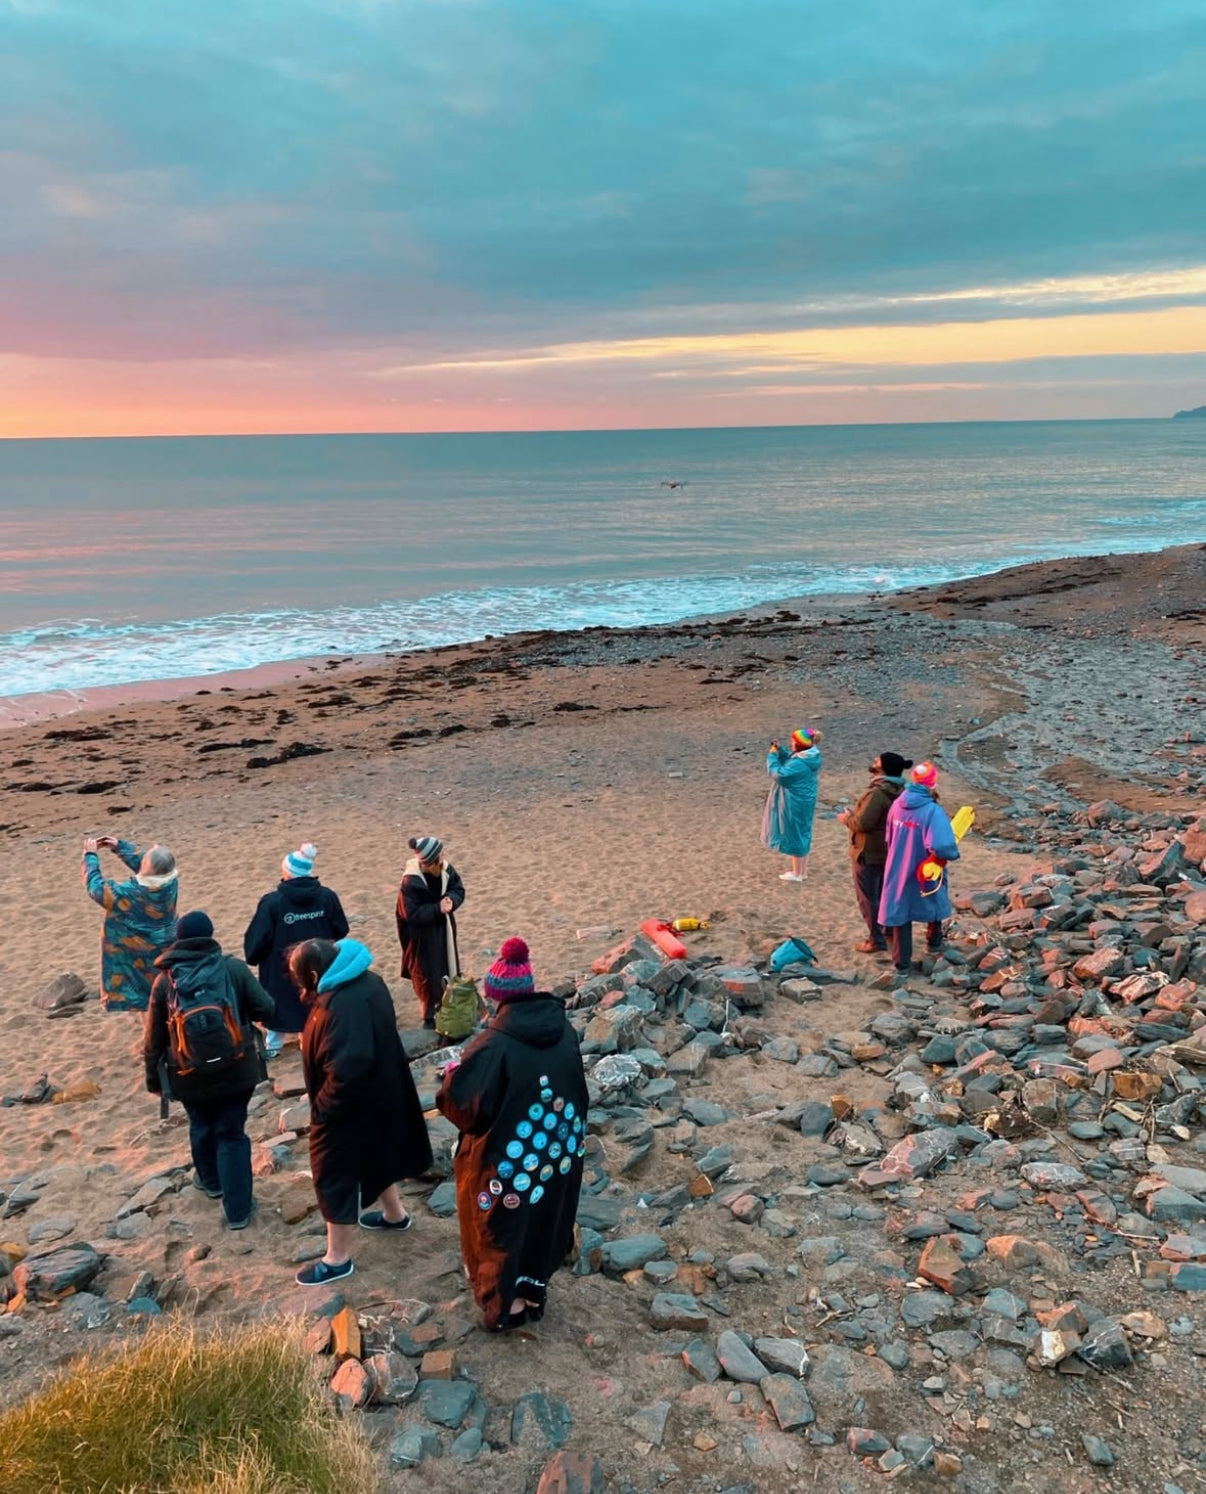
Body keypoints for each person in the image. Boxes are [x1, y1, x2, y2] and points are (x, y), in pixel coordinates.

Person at [436, 937, 589, 1333]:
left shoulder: (494, 1044)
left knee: (498, 1227)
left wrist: (454, 1075)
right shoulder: (564, 1030)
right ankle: (534, 1291)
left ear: (496, 999)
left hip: (510, 1158)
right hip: (560, 1152)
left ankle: (508, 1308)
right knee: (545, 1219)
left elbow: (461, 1108)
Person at [289, 938, 433, 1287]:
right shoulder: (369, 980)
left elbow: (349, 1067)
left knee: (332, 1174)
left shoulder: (338, 1006)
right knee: (377, 1152)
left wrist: (322, 1109)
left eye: (300, 979)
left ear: (312, 973)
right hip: (383, 1093)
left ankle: (337, 1259)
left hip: (349, 1108)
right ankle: (394, 1215)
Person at [143, 910, 274, 1230]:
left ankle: (211, 1183)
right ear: (210, 934)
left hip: (188, 1072)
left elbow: (153, 1040)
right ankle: (239, 1211)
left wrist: (153, 1081)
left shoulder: (165, 980)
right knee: (231, 1133)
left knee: (200, 1123)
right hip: (236, 1068)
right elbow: (266, 1008)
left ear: (179, 939)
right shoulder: (232, 969)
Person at [243, 843, 349, 1058]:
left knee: (279, 1003)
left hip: (281, 967)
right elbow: (341, 929)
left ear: (288, 873)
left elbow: (258, 938)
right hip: (318, 963)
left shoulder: (273, 902)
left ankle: (273, 1045)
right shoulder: (326, 897)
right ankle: (307, 1038)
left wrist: (253, 955)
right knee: (312, 998)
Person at [879, 761, 960, 975]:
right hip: (924, 865)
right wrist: (948, 854)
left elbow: (888, 836)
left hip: (898, 864)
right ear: (933, 784)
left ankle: (902, 964)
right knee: (933, 896)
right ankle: (934, 944)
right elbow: (942, 844)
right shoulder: (932, 810)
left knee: (900, 908)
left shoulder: (897, 804)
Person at [82, 836, 179, 1011]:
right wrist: (120, 847)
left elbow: (96, 889)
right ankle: (156, 1030)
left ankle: (152, 1034)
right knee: (158, 989)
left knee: (141, 994)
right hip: (163, 945)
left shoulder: (128, 894)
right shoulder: (171, 882)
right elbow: (152, 868)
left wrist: (90, 856)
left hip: (134, 950)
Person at [837, 751, 913, 954]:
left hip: (868, 852)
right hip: (890, 851)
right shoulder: (902, 791)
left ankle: (875, 939)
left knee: (868, 898)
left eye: (876, 761)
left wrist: (847, 819)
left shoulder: (877, 793)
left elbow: (863, 823)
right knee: (884, 894)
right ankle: (887, 931)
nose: (873, 762)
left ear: (883, 768)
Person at [396, 835, 465, 1029]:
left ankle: (446, 1010)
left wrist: (452, 900)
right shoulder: (411, 882)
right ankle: (427, 1018)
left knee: (446, 969)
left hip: (444, 932)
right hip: (421, 939)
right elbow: (410, 913)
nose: (443, 856)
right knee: (426, 978)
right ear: (432, 860)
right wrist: (437, 909)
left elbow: (458, 889)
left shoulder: (446, 870)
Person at [761, 727, 824, 881]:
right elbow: (791, 758)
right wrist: (780, 750)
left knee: (795, 834)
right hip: (804, 799)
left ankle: (797, 874)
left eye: (794, 742)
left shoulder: (800, 764)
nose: (792, 744)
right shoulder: (810, 756)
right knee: (803, 832)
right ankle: (802, 871)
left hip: (795, 801)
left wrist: (772, 757)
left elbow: (779, 775)